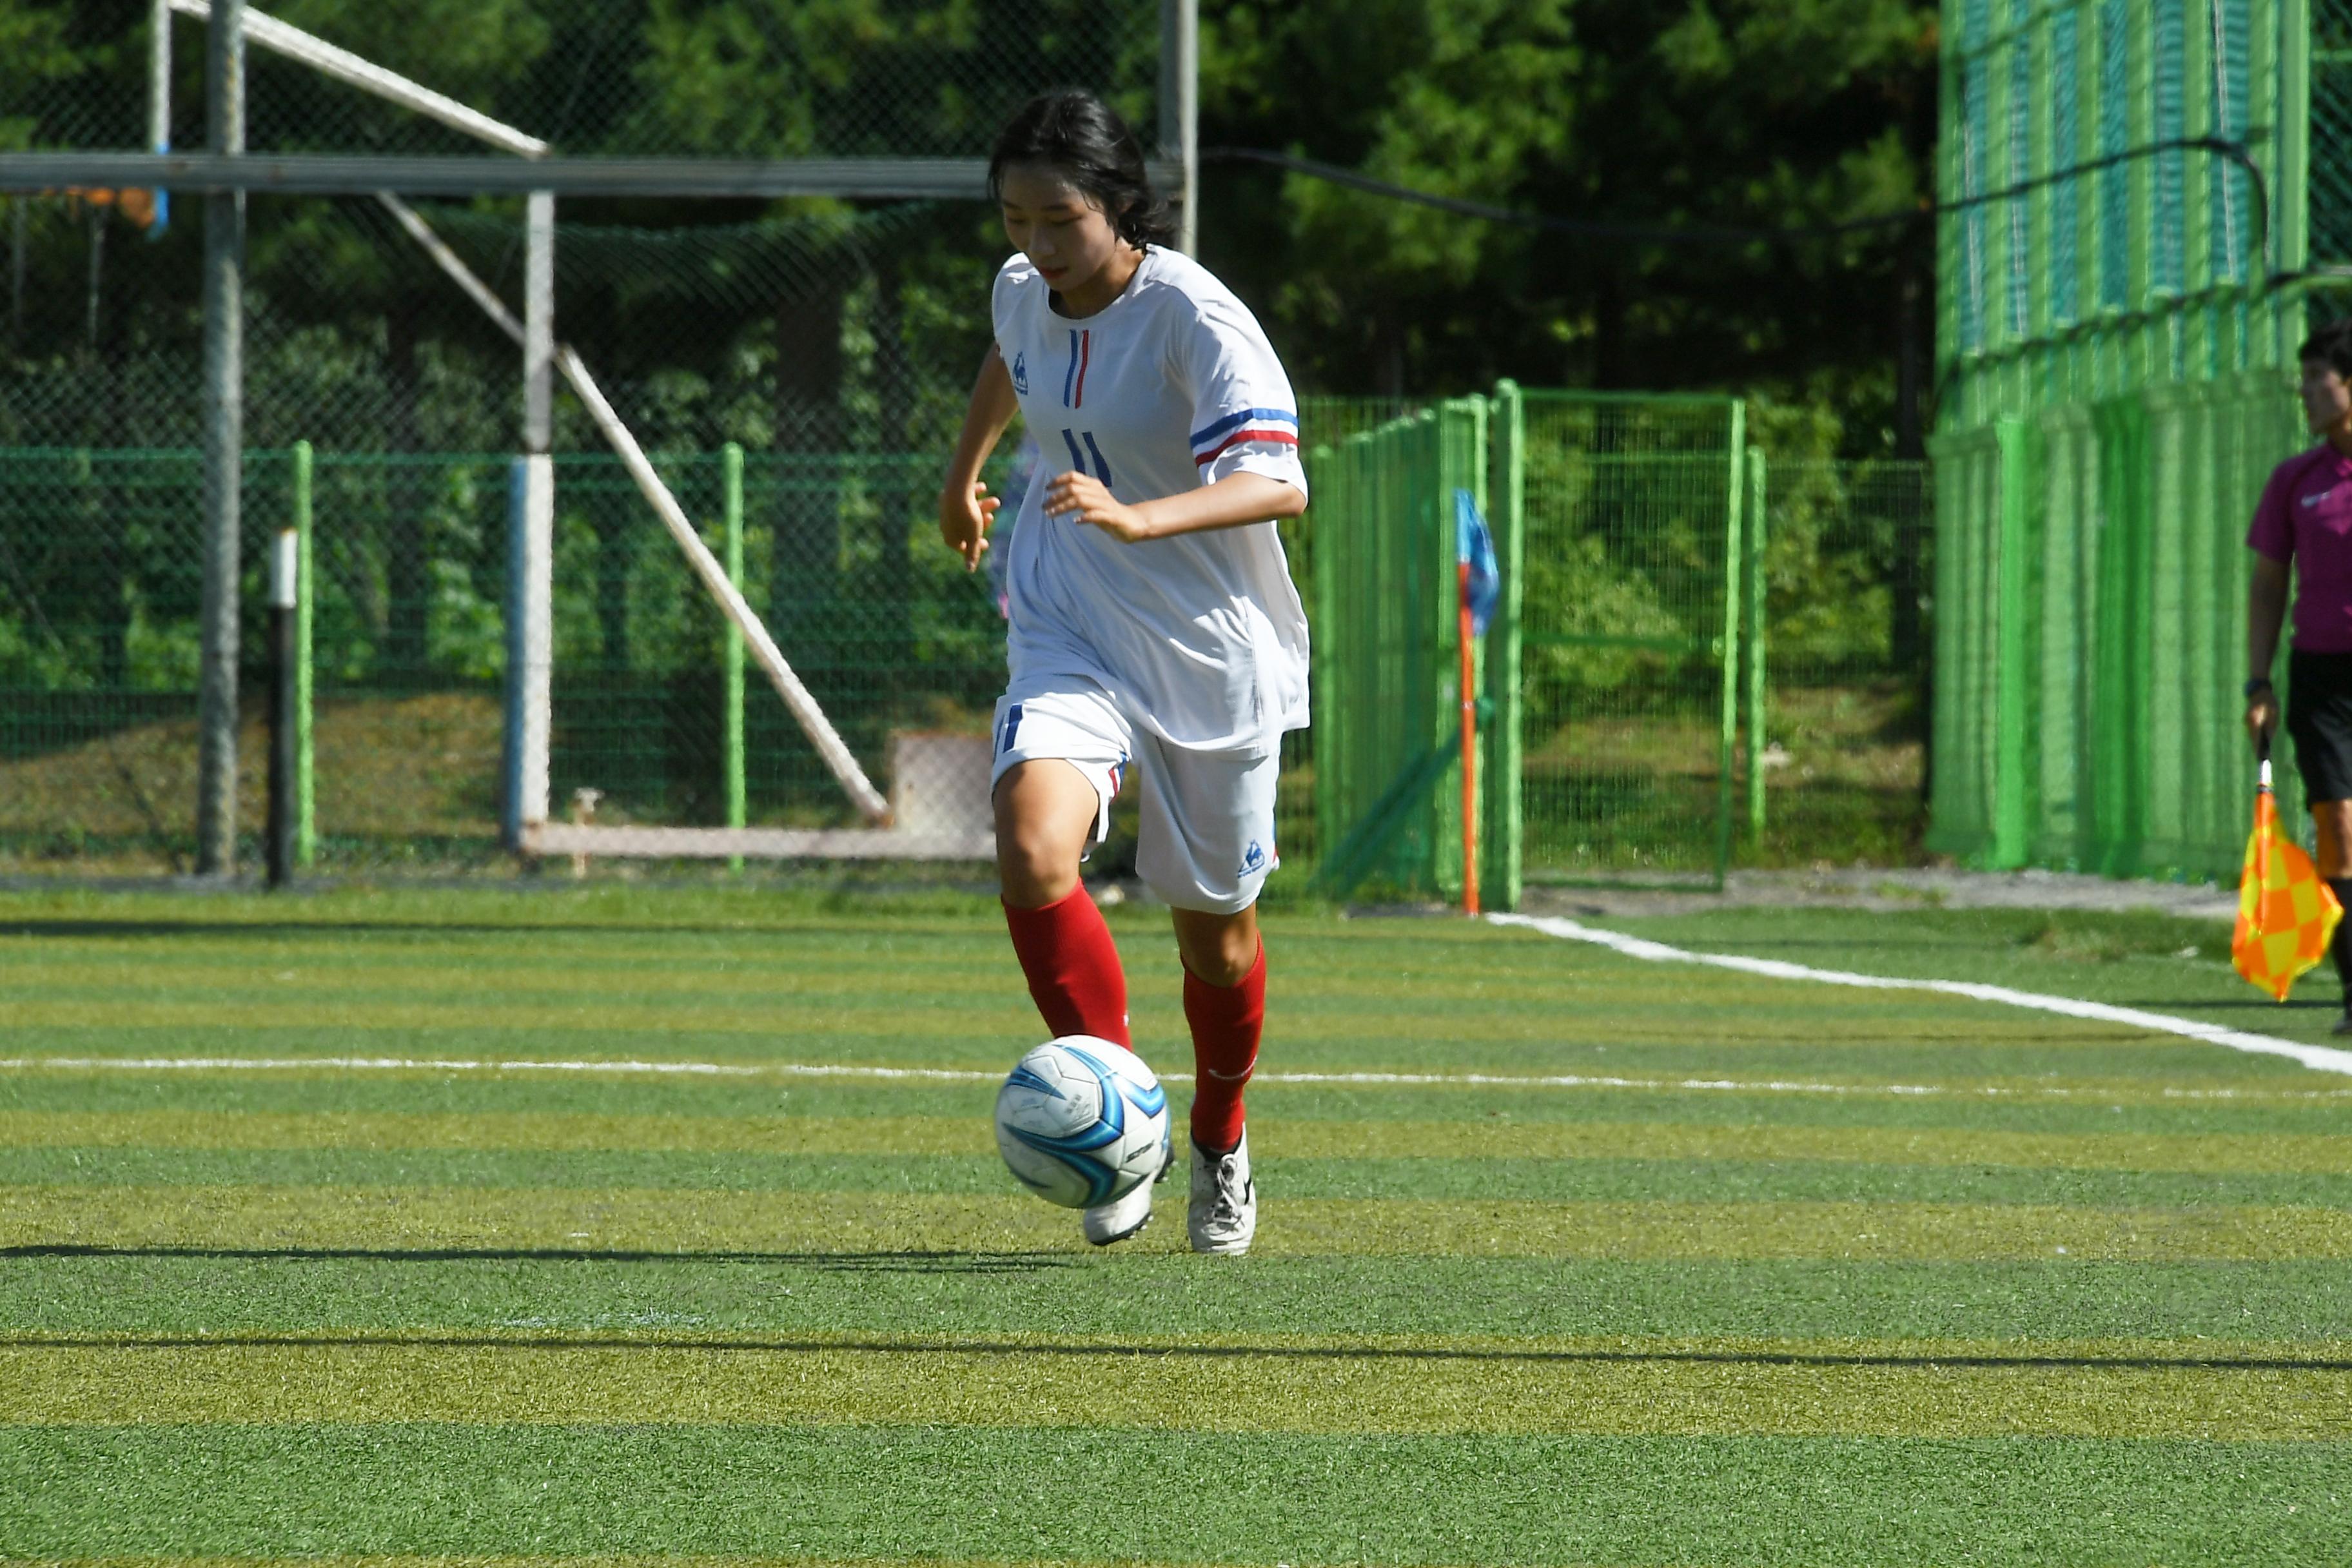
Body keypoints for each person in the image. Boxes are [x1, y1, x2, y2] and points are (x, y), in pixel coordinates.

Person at [937, 89, 1310, 1253]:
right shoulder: (1019, 290)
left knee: (1217, 936)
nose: (1036, 246)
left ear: (1117, 208)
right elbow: (1015, 358)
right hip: (1068, 614)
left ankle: (1217, 1135)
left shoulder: (1194, 316)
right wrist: (963, 474)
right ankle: (1112, 1118)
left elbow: (1278, 483)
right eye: (1015, 218)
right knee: (1033, 843)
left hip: (1206, 641)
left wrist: (1143, 520)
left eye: (1059, 219)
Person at [2247, 319, 2352, 1032]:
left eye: (2323, 377)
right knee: (2339, 830)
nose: (2308, 390)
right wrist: (2258, 681)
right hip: (2320, 679)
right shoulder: (2296, 479)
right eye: (2305, 376)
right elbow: (2266, 584)